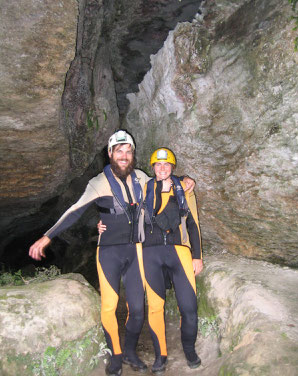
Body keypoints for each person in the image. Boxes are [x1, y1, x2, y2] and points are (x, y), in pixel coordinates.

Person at [29, 130, 195, 376]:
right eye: (119, 151)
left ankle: (129, 351)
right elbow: (75, 210)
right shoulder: (98, 183)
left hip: (137, 250)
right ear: (110, 154)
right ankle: (115, 356)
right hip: (109, 252)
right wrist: (48, 236)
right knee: (110, 305)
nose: (125, 156)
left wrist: (185, 178)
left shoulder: (140, 177)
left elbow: (163, 180)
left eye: (129, 152)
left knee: (137, 309)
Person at [141, 148, 203, 374]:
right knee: (155, 307)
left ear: (173, 168)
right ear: (153, 168)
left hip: (179, 252)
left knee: (189, 307)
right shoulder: (145, 187)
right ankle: (160, 355)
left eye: (167, 165)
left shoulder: (184, 188)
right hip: (150, 253)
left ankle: (189, 349)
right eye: (158, 165)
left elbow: (193, 223)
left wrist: (197, 256)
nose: (162, 168)